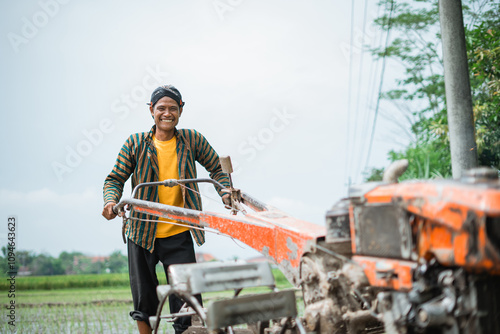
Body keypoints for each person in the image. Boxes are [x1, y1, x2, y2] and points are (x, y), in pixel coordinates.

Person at [102, 85, 230, 334]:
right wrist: (110, 201)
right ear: (151, 110)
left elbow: (217, 169)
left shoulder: (192, 140)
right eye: (161, 108)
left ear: (181, 110)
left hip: (179, 231)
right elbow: (115, 179)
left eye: (173, 108)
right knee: (144, 298)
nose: (167, 113)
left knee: (187, 300)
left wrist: (224, 191)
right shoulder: (136, 143)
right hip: (141, 233)